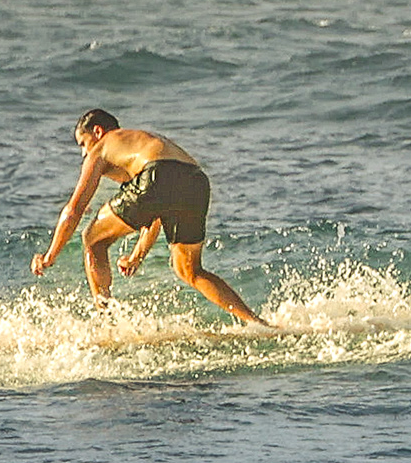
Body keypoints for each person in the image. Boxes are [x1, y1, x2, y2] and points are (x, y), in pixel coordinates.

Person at [36, 109, 269, 327]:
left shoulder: (103, 146)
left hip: (157, 176)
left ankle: (105, 324)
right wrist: (137, 256)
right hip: (196, 180)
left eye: (83, 143)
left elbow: (73, 210)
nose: (84, 152)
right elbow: (157, 205)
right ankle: (257, 323)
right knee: (190, 271)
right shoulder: (140, 144)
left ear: (97, 132)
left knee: (93, 239)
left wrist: (49, 256)